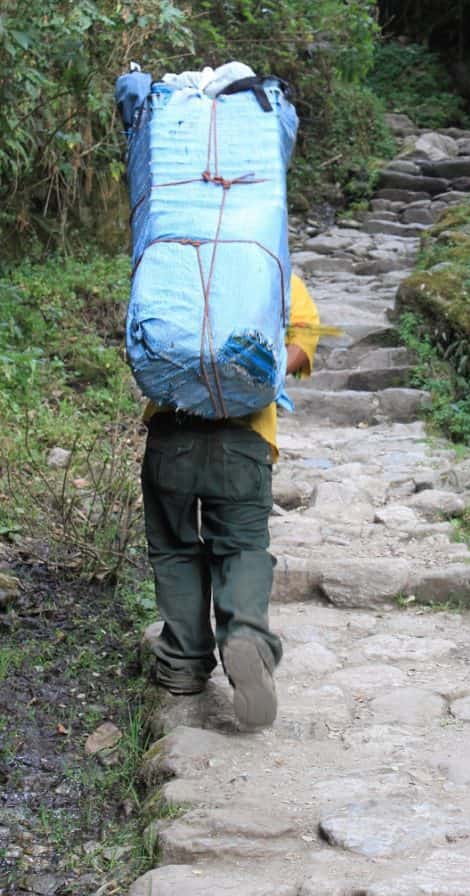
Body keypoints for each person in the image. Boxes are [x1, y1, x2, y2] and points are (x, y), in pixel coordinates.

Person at [141, 273, 320, 730]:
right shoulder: (269, 269)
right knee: (241, 548)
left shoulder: (169, 264)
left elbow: (141, 337)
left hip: (172, 433)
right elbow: (304, 334)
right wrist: (257, 379)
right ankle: (246, 640)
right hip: (243, 436)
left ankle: (182, 662)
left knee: (176, 548)